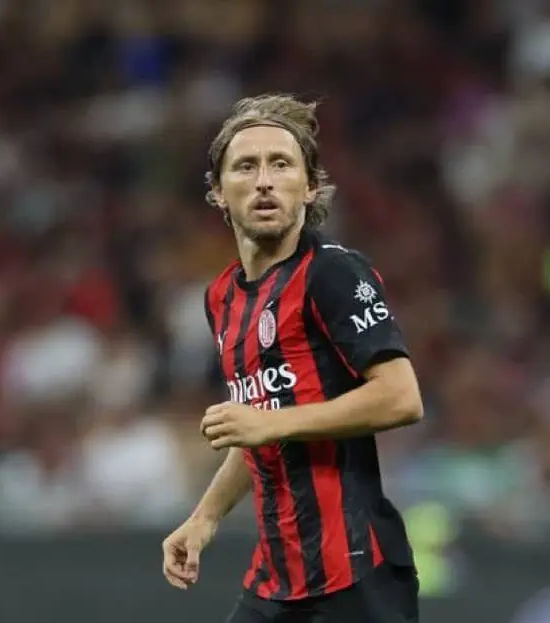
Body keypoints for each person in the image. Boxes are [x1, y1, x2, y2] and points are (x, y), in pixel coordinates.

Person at [161, 94, 424, 622]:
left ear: (309, 187)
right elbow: (259, 425)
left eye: (281, 164)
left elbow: (401, 398)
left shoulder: (333, 273)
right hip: (276, 580)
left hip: (357, 576)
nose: (264, 181)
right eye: (246, 166)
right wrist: (205, 518)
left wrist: (270, 422)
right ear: (218, 192)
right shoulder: (221, 298)